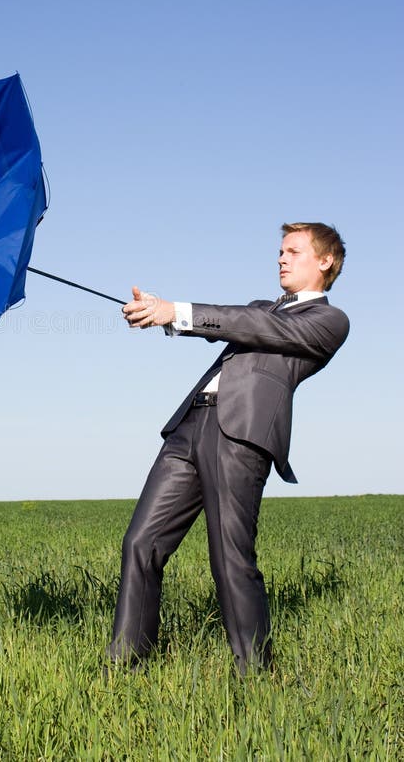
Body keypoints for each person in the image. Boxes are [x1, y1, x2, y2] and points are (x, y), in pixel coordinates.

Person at [107, 222, 349, 675]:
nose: (281, 258)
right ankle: (126, 664)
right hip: (189, 427)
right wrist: (157, 311)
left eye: (293, 251)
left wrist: (177, 310)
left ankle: (255, 676)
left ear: (325, 261)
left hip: (239, 436)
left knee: (230, 557)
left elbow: (255, 326)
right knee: (141, 542)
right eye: (280, 251)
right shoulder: (262, 307)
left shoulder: (329, 321)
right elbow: (232, 320)